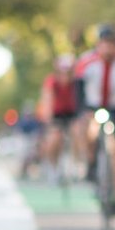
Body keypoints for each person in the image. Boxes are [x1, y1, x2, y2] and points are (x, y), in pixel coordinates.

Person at [74, 24, 115, 216]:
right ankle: (91, 164)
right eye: (105, 44)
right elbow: (78, 91)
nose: (108, 48)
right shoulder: (86, 62)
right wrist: (83, 111)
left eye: (112, 44)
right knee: (87, 129)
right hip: (93, 107)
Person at [39, 54, 78, 184]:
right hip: (56, 113)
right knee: (54, 138)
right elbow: (47, 99)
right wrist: (48, 118)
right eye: (62, 71)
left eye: (67, 71)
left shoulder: (76, 82)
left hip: (72, 112)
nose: (65, 75)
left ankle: (76, 165)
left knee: (78, 132)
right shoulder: (51, 81)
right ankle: (53, 168)